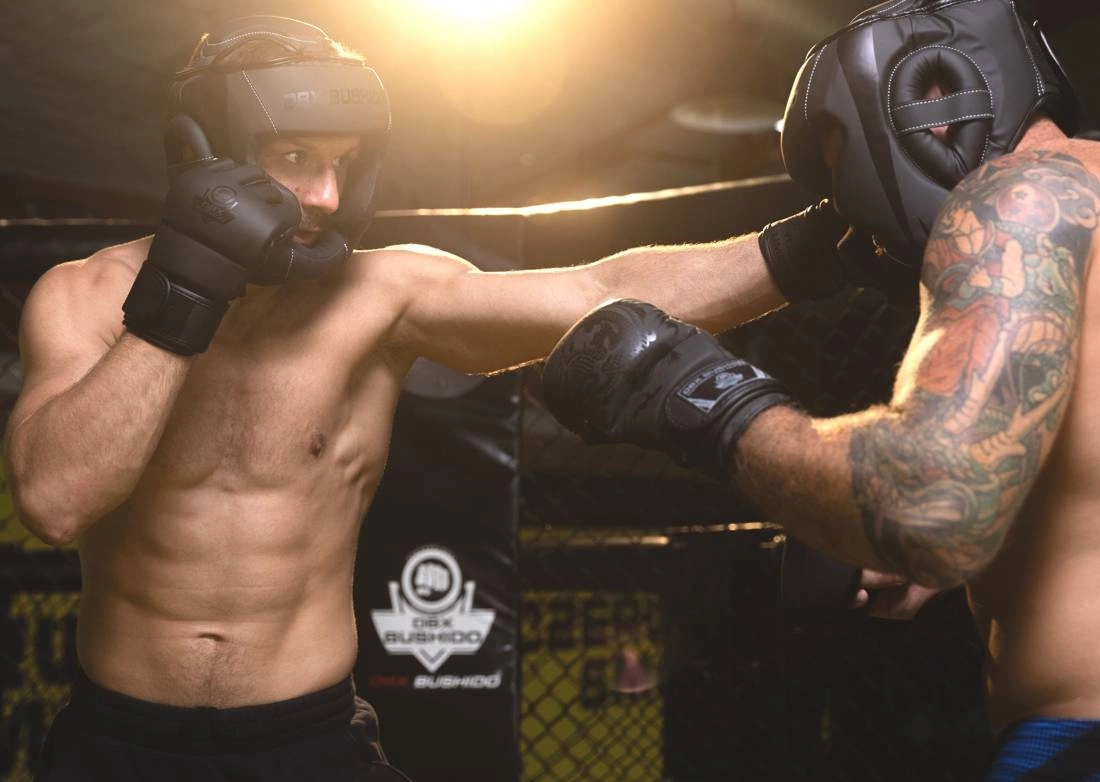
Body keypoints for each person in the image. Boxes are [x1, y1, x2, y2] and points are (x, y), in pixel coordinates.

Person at [2, 14, 849, 782]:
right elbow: (56, 500)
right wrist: (184, 292)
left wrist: (824, 244)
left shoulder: (382, 297)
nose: (326, 197)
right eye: (294, 158)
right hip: (118, 743)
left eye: (341, 164)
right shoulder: (83, 297)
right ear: (204, 153)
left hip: (310, 743)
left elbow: (601, 289)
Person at [541, 1, 1100, 779]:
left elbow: (929, 502)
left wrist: (708, 401)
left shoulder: (1020, 199)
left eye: (850, 171)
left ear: (931, 106)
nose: (868, 226)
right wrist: (982, 543)